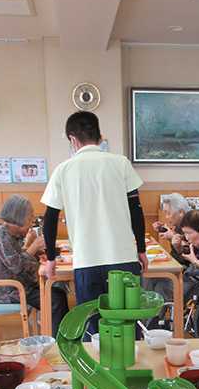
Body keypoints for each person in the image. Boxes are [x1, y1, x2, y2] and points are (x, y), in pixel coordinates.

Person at [41, 111, 147, 336]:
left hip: (86, 261)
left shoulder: (63, 170)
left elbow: (49, 218)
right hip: (123, 258)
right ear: (100, 138)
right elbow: (136, 210)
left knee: (93, 327)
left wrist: (51, 258)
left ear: (72, 139)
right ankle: (131, 367)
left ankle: (98, 368)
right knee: (127, 324)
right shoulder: (121, 163)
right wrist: (141, 250)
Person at [0, 194, 69, 338]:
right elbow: (15, 265)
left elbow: (15, 257)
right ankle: (57, 341)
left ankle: (60, 334)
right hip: (8, 291)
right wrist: (33, 247)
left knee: (58, 290)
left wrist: (30, 246)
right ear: (17, 218)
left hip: (18, 285)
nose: (32, 220)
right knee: (55, 299)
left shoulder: (9, 234)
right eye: (29, 217)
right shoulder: (0, 235)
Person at [152, 192, 190, 263]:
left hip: (181, 267)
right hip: (173, 261)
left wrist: (172, 236)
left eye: (169, 213)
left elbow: (188, 256)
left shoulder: (191, 225)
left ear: (180, 212)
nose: (166, 217)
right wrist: (162, 230)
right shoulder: (179, 225)